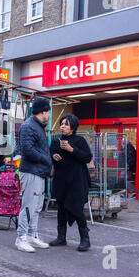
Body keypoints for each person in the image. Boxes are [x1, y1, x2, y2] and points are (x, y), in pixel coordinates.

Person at [49, 114, 93, 252]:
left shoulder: (79, 141)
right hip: (61, 179)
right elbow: (50, 153)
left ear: (73, 127)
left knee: (77, 208)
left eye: (66, 124)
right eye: (61, 124)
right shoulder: (56, 141)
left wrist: (71, 150)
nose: (62, 126)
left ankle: (85, 239)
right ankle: (61, 237)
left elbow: (87, 157)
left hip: (77, 180)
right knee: (61, 207)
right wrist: (53, 156)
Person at [15, 98, 52, 253]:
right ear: (43, 111)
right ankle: (21, 238)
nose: (49, 115)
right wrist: (46, 160)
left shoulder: (37, 126)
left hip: (38, 171)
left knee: (36, 207)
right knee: (29, 206)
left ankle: (32, 235)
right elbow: (28, 150)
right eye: (48, 111)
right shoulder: (29, 126)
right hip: (31, 171)